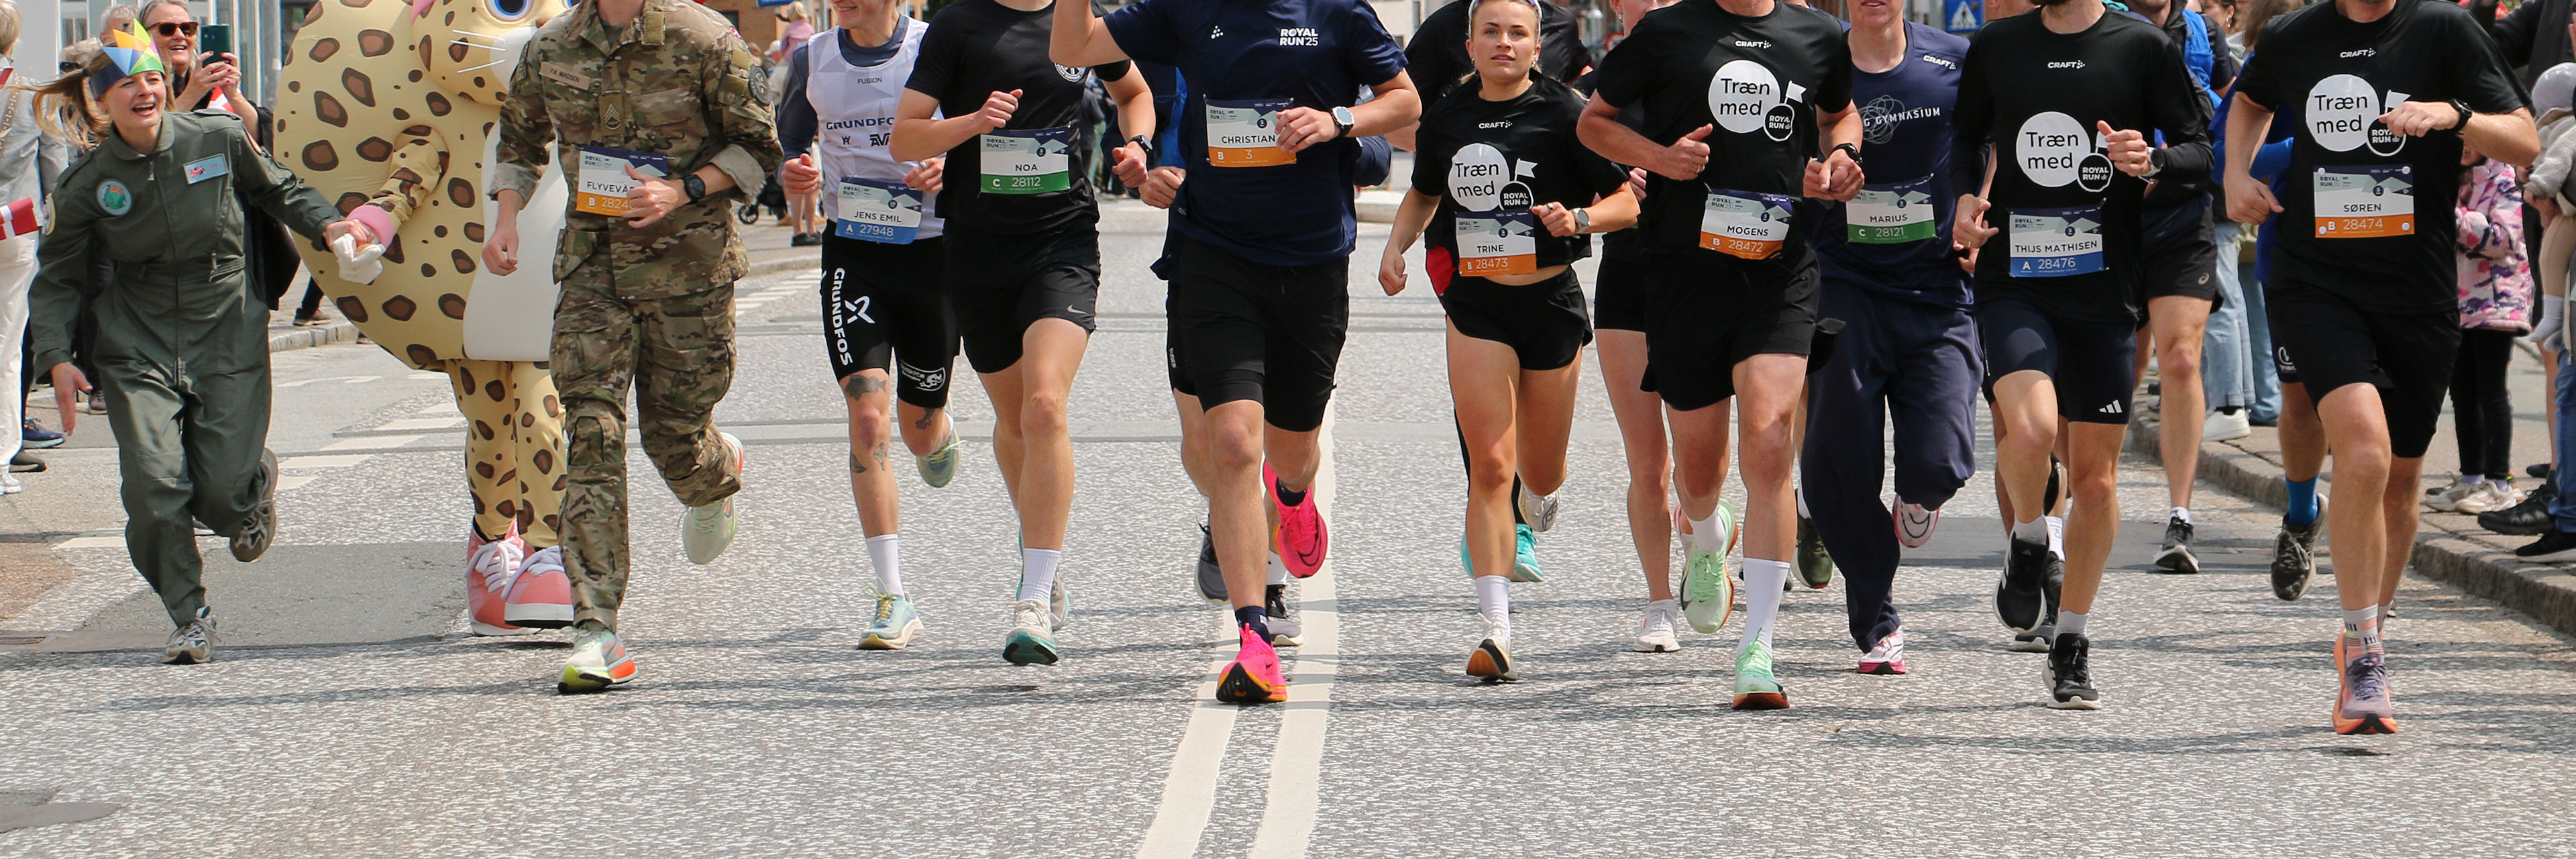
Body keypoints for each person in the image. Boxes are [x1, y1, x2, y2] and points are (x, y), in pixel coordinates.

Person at [1051, 0, 1417, 704]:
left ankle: (1294, 496)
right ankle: (1254, 635)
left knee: (1292, 449)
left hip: (1311, 259)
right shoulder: (1188, 9)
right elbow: (1073, 40)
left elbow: (1405, 103)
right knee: (1229, 439)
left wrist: (1338, 120)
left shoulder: (1337, 12)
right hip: (1215, 254)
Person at [2226, 0, 2534, 734]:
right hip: (2315, 276)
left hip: (2419, 288)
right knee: (2362, 450)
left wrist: (2452, 116)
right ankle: (2365, 654)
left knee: (2399, 481)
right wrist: (2234, 175)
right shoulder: (2298, 35)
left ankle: (2369, 630)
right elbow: (2249, 101)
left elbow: (2522, 139)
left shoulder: (2444, 32)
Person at [28, 24, 370, 664]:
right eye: (127, 83)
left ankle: (248, 492)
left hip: (226, 327)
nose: (145, 91)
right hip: (137, 341)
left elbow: (280, 189)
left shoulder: (215, 138)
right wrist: (56, 356)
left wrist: (329, 226)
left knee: (217, 496)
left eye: (153, 78)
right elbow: (56, 278)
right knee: (156, 488)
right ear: (103, 100)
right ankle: (190, 616)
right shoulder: (86, 186)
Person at [1578, 0, 1862, 710]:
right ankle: (1707, 533)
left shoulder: (1817, 34)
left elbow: (1841, 116)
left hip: (1780, 269)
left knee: (1769, 443)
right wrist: (1659, 159)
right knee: (1699, 471)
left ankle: (1758, 650)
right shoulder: (1667, 33)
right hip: (1682, 272)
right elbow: (1594, 123)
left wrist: (1842, 158)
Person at [487, 0, 777, 693]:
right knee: (590, 432)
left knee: (675, 439)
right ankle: (596, 628)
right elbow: (519, 138)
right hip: (592, 269)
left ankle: (713, 476)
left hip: (691, 268)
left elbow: (761, 146)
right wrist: (505, 221)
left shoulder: (707, 38)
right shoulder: (551, 46)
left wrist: (683, 190)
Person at [1955, 0, 2214, 709]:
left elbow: (2200, 150)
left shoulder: (2139, 47)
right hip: (2016, 279)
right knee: (2033, 430)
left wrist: (2153, 158)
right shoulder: (1999, 45)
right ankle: (2032, 538)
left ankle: (2071, 639)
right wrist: (1961, 200)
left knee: (2097, 481)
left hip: (2105, 290)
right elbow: (1966, 136)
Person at [1381, 0, 1637, 681]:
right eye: (1490, 32)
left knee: (1540, 471)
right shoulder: (1447, 118)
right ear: (1469, 45)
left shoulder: (1569, 114)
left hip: (1550, 301)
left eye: (1516, 33)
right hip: (1477, 303)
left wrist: (1579, 216)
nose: (1503, 42)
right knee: (1492, 465)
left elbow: (1629, 202)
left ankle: (1543, 494)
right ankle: (1494, 629)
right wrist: (1396, 246)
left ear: (1536, 46)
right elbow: (1424, 194)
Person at [893, 0, 1150, 667]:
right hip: (978, 250)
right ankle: (1043, 549)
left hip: (1062, 241)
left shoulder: (1083, 21)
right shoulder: (959, 26)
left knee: (1045, 405)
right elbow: (905, 137)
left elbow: (1135, 91)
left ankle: (1033, 597)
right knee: (1014, 419)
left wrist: (1139, 145)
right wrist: (974, 123)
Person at [778, 0, 963, 651]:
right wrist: (794, 168)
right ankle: (893, 595)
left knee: (917, 428)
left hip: (933, 250)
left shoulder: (935, 48)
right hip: (854, 251)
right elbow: (790, 138)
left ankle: (937, 429)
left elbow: (979, 131)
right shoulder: (813, 59)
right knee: (866, 414)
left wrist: (950, 163)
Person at [1803, 0, 1976, 677]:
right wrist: (1812, 181)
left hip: (1936, 284)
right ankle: (1877, 619)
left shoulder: (1954, 60)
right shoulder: (1818, 64)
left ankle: (1918, 494)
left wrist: (1976, 206)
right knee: (1838, 458)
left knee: (1941, 458)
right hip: (1841, 281)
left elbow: (1983, 143)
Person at [1574, 0, 1701, 654]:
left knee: (1696, 460)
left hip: (1701, 278)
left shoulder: (1715, 70)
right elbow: (1587, 183)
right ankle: (1658, 601)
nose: (1650, 3)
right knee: (1648, 460)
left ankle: (1705, 532)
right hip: (1626, 279)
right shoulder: (1600, 90)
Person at [2123, 0, 2235, 576]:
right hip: (2109, 220)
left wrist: (2241, 175)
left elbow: (2231, 110)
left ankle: (2180, 514)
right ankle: (2083, 494)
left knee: (2183, 358)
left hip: (2182, 216)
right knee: (2122, 363)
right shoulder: (2098, 22)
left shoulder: (2202, 32)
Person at [2431, 146, 2532, 515]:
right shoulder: (2448, 174)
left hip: (2495, 302)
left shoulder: (2503, 178)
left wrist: (2452, 214)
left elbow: (2503, 239)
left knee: (2491, 393)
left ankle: (2500, 482)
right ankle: (2471, 477)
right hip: (2454, 304)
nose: (2463, 147)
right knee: (2462, 393)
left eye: (2471, 139)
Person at [0, 0, 68, 496]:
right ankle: (1, 460)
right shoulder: (36, 96)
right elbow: (57, 174)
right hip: (15, 230)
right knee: (6, 348)